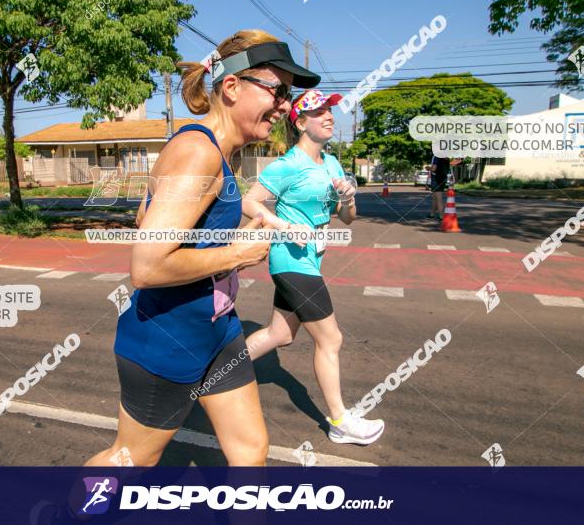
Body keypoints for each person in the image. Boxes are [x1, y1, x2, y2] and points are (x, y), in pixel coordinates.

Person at [84, 30, 321, 467]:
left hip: (218, 332)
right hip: (167, 341)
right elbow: (147, 266)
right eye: (279, 91)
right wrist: (238, 254)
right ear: (232, 87)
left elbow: (146, 216)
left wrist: (229, 239)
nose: (287, 106)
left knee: (250, 450)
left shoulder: (217, 151)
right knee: (130, 460)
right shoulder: (198, 151)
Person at [242, 90, 385, 446]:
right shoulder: (287, 165)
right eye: (319, 111)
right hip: (290, 259)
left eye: (330, 110)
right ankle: (339, 421)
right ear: (301, 122)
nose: (329, 116)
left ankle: (215, 371)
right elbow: (249, 200)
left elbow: (347, 219)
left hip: (312, 260)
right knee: (330, 338)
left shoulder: (332, 164)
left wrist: (349, 197)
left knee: (280, 336)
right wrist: (283, 226)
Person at [427, 155, 462, 220]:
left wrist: (428, 168)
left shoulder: (436, 156)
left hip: (436, 179)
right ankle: (432, 214)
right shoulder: (446, 157)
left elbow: (434, 168)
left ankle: (441, 216)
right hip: (443, 178)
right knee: (435, 198)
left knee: (439, 199)